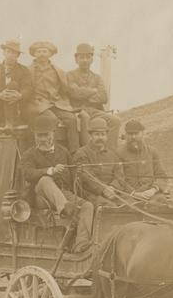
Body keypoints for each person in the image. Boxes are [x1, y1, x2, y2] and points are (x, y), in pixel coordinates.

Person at [19, 111, 93, 254]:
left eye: (46, 135)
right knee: (45, 179)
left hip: (65, 194)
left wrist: (80, 175)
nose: (42, 139)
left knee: (88, 206)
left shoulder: (63, 152)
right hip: (42, 197)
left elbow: (74, 174)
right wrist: (50, 170)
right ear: (35, 136)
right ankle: (65, 208)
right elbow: (28, 174)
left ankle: (81, 244)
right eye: (39, 135)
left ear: (53, 133)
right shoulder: (29, 154)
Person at [26, 41, 80, 153]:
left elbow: (64, 89)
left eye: (44, 51)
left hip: (56, 103)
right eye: (38, 51)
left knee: (71, 119)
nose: (41, 54)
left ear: (50, 54)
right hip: (38, 103)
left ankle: (75, 153)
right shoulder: (28, 71)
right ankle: (52, 152)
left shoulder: (58, 71)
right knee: (51, 120)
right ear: (34, 54)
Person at [66, 43, 120, 149]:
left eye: (88, 57)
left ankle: (109, 153)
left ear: (92, 59)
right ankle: (87, 154)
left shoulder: (97, 78)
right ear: (76, 59)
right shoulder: (70, 75)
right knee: (85, 119)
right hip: (77, 110)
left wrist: (84, 94)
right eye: (82, 57)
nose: (85, 60)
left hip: (95, 111)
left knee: (115, 121)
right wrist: (94, 91)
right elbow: (74, 93)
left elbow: (104, 97)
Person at [73, 116, 129, 206]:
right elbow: (87, 178)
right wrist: (103, 190)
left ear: (107, 136)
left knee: (131, 204)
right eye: (97, 134)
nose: (100, 137)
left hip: (113, 192)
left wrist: (113, 188)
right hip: (91, 194)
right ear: (90, 135)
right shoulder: (82, 153)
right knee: (110, 208)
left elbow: (119, 175)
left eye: (103, 134)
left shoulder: (112, 154)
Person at [0, 40, 31, 128]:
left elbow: (28, 88)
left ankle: (9, 123)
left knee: (13, 85)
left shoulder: (24, 70)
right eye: (8, 52)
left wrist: (20, 95)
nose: (10, 55)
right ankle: (8, 123)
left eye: (14, 53)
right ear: (4, 53)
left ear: (17, 55)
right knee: (10, 88)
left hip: (18, 107)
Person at [117, 119, 168, 199]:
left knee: (161, 201)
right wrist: (133, 193)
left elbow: (161, 176)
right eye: (130, 134)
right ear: (126, 135)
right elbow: (119, 178)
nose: (133, 137)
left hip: (150, 194)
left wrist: (154, 189)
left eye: (136, 133)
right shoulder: (119, 153)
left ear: (142, 133)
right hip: (129, 195)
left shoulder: (152, 152)